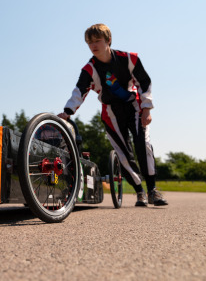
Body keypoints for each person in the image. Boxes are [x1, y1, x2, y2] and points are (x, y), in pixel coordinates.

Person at [58, 23, 168, 206]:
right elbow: (79, 91)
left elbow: (144, 81)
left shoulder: (129, 59)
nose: (94, 45)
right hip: (111, 112)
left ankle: (153, 191)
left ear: (108, 40)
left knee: (143, 145)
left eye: (97, 41)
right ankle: (139, 191)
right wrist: (67, 112)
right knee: (123, 153)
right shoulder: (89, 69)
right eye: (89, 42)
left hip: (134, 106)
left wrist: (147, 108)